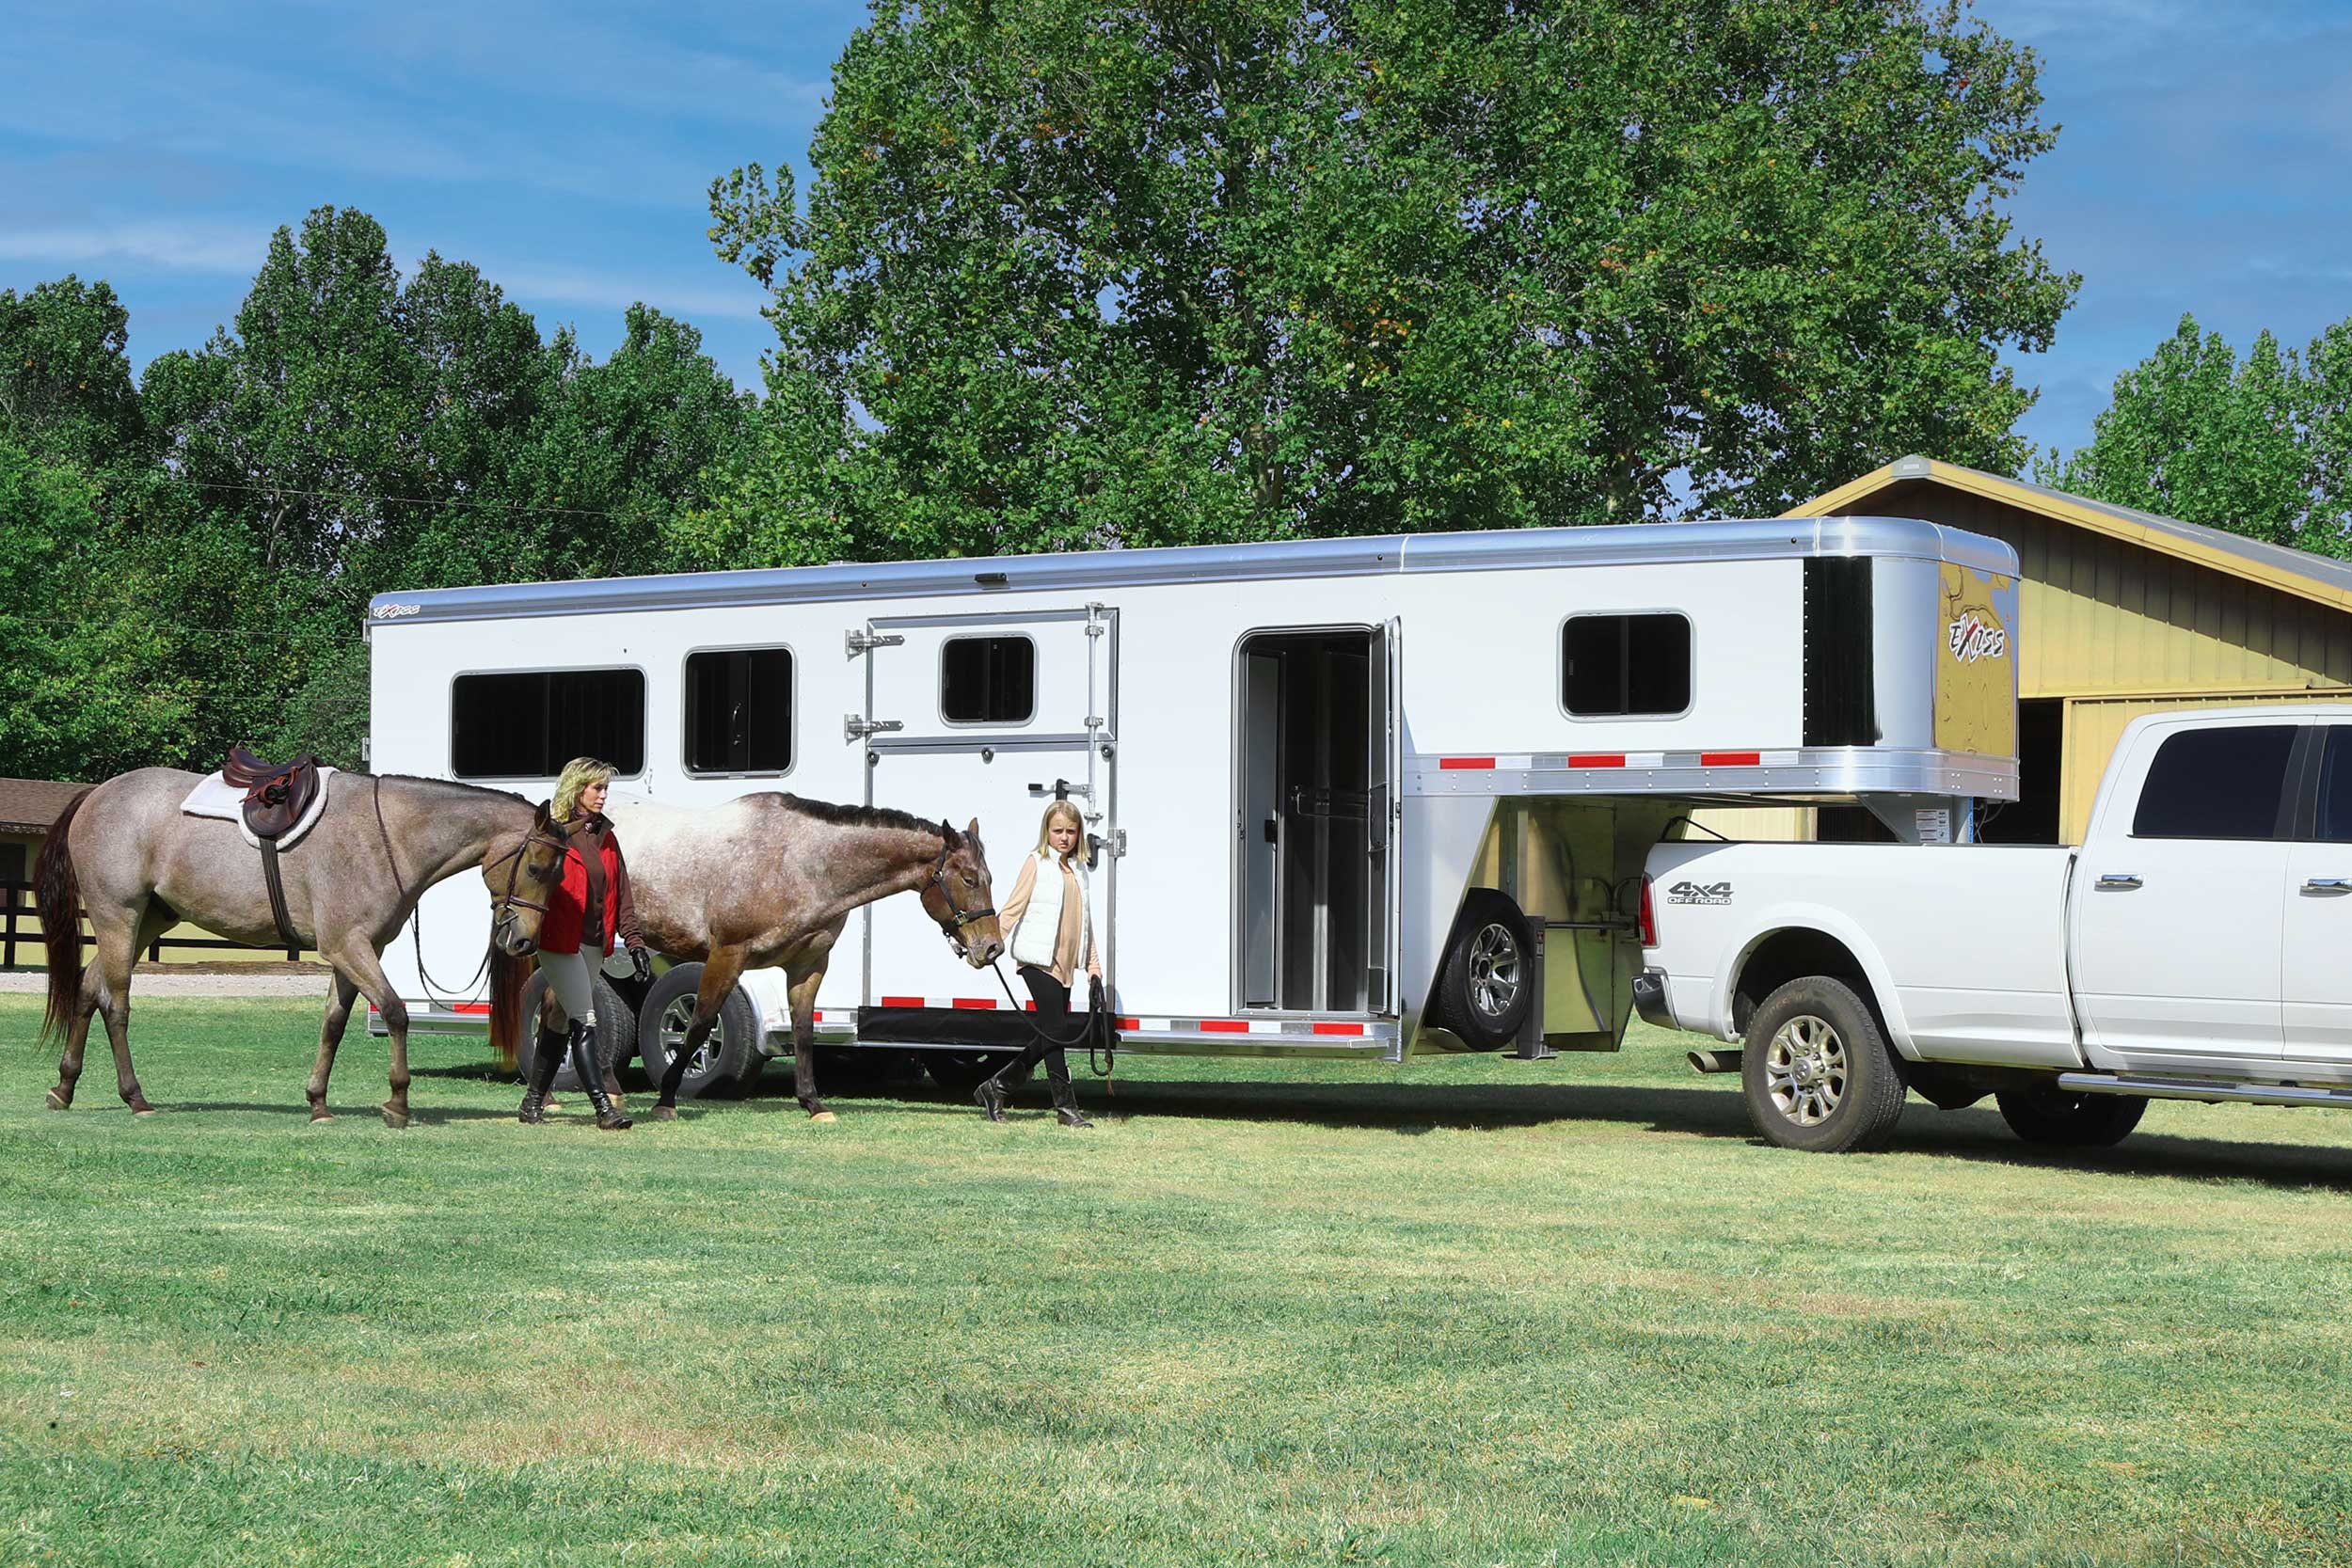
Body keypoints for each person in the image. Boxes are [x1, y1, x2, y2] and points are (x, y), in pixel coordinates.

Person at [519, 757, 653, 1130]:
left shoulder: (607, 838)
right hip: (560, 944)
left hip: (595, 942)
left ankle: (531, 1104)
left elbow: (621, 893)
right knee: (585, 1018)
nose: (603, 795)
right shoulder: (554, 835)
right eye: (597, 788)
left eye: (606, 788)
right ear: (577, 789)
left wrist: (635, 941)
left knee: (560, 1017)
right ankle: (604, 1109)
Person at [975, 799, 1101, 1128]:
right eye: (1057, 830)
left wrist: (1093, 965)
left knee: (1051, 1034)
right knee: (1057, 1031)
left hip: (1065, 964)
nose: (1064, 837)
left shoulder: (1078, 870)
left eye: (1071, 831)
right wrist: (990, 944)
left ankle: (995, 1087)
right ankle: (1066, 1108)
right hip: (1037, 961)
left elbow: (1085, 922)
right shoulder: (1036, 863)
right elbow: (1013, 908)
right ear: (1046, 831)